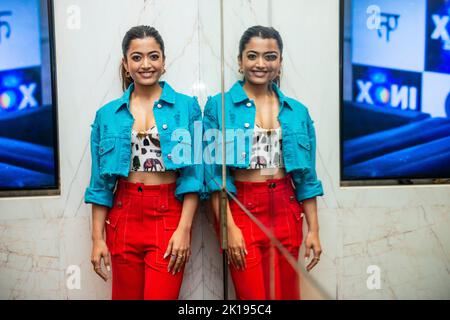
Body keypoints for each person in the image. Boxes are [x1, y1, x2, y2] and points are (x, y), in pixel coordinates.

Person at [203, 25, 324, 300]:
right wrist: (228, 228)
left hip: (286, 210)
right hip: (241, 210)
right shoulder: (217, 107)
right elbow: (213, 179)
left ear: (280, 62)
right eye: (252, 56)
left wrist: (314, 230)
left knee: (288, 294)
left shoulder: (297, 112)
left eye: (270, 56)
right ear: (240, 61)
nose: (261, 64)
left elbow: (307, 179)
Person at [84, 25, 203, 300]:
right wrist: (97, 238)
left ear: (164, 61)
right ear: (125, 64)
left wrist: (184, 229)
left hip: (168, 215)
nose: (145, 64)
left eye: (153, 56)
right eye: (136, 57)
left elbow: (194, 177)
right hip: (123, 216)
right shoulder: (107, 115)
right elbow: (100, 185)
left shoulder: (187, 108)